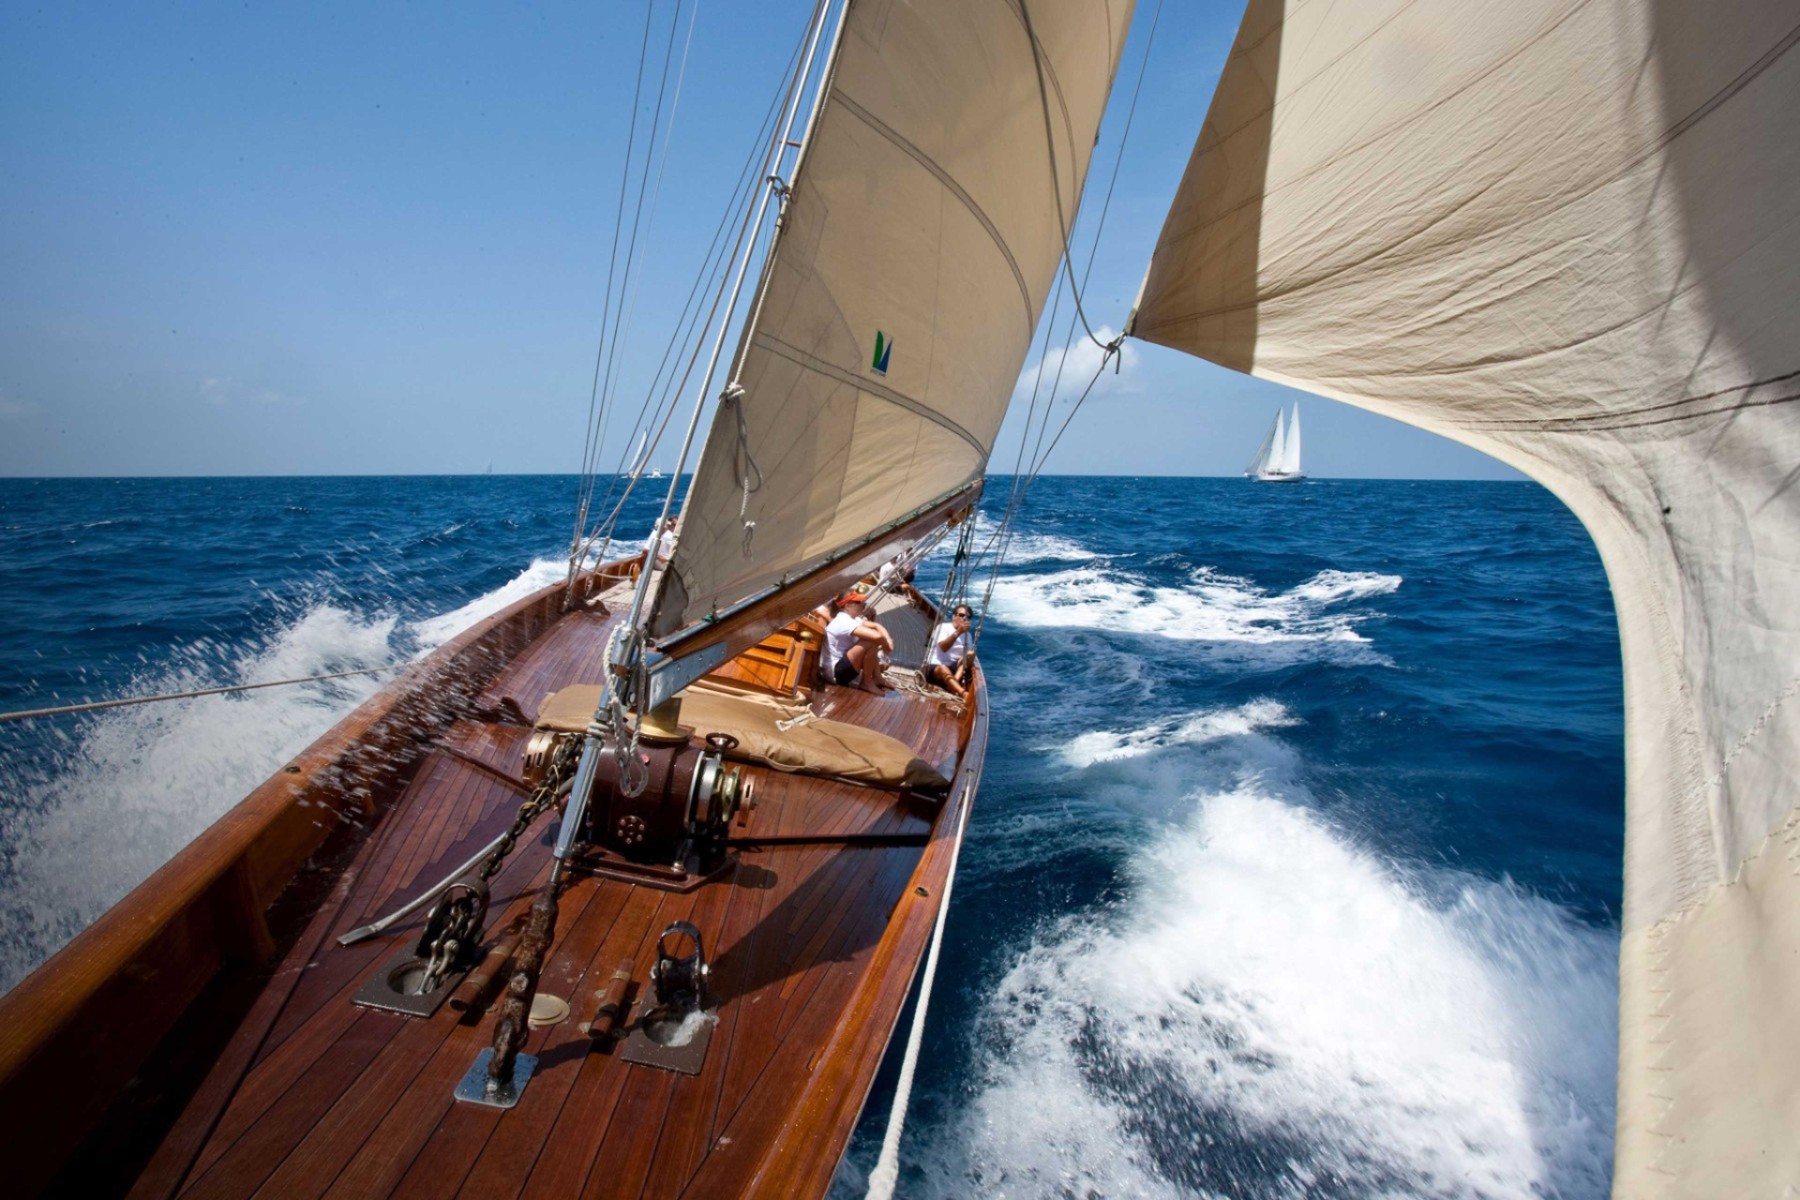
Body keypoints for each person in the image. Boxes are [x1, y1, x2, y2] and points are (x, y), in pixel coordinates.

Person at [824, 591, 894, 693]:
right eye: (859, 602)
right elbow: (877, 636)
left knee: (873, 640)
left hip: (842, 668)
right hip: (835, 672)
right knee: (872, 641)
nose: (863, 604)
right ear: (847, 605)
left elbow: (876, 626)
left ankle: (878, 678)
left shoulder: (853, 619)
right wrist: (885, 645)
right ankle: (866, 682)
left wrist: (888, 640)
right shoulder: (843, 621)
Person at [923, 603, 976, 699]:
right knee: (943, 668)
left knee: (971, 654)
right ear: (954, 616)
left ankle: (953, 683)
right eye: (961, 615)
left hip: (955, 669)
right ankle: (963, 693)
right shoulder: (943, 627)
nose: (964, 618)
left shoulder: (968, 635)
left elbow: (966, 659)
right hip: (937, 666)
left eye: (967, 617)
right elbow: (943, 647)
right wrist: (959, 631)